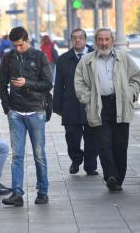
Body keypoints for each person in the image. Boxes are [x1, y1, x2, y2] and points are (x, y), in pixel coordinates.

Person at [75, 28, 140, 191]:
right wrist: (88, 99)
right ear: (96, 41)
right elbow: (79, 82)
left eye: (106, 39)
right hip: (99, 106)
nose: (103, 43)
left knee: (120, 145)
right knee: (104, 144)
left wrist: (130, 94)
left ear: (112, 40)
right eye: (100, 40)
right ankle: (110, 176)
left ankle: (118, 180)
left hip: (120, 104)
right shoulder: (87, 60)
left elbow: (136, 77)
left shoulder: (123, 57)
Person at [0, 27, 53, 206]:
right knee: (17, 155)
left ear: (27, 40)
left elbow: (48, 84)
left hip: (36, 111)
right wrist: (7, 108)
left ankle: (42, 192)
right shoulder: (8, 57)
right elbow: (1, 84)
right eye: (15, 46)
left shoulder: (39, 56)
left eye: (20, 45)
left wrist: (26, 83)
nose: (18, 49)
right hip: (15, 112)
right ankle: (17, 194)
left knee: (39, 154)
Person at [53, 28, 98, 176]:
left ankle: (90, 166)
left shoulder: (96, 56)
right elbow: (58, 84)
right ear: (71, 40)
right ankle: (76, 159)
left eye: (80, 37)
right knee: (72, 137)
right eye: (74, 38)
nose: (78, 40)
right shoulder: (63, 59)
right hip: (71, 105)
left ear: (85, 39)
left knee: (92, 140)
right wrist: (57, 106)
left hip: (92, 105)